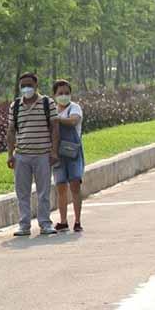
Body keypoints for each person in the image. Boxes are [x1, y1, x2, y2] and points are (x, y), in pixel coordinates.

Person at [6, 73, 60, 236]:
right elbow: (11, 131)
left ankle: (45, 223)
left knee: (43, 191)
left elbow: (55, 128)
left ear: (36, 85)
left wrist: (54, 151)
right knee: (22, 192)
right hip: (21, 155)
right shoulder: (14, 106)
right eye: (23, 85)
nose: (26, 88)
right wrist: (10, 154)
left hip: (43, 154)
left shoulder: (47, 103)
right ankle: (24, 225)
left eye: (29, 85)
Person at [52, 80, 85, 232]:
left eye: (66, 93)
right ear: (54, 95)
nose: (63, 95)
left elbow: (73, 121)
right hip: (57, 153)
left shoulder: (74, 107)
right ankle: (63, 220)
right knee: (60, 187)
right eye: (60, 93)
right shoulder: (52, 109)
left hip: (72, 153)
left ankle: (77, 221)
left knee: (74, 185)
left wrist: (58, 119)